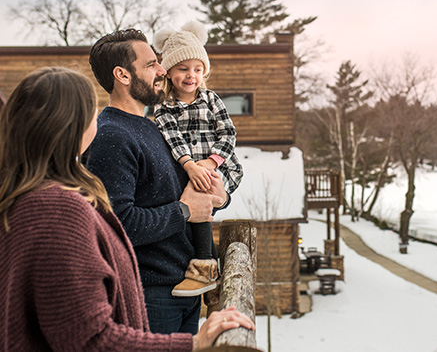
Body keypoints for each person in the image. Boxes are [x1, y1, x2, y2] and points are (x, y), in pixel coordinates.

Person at [0, 67, 254, 350]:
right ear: (74, 125)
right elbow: (91, 340)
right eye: (90, 111)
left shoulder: (39, 197)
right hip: (157, 293)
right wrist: (194, 344)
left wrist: (217, 198)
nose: (160, 71)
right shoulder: (56, 210)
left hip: (180, 288)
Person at [85, 28, 229, 335]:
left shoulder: (154, 128)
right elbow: (116, 225)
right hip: (149, 296)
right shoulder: (111, 136)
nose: (162, 70)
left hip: (185, 291)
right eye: (151, 64)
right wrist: (184, 211)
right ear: (122, 75)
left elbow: (181, 197)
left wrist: (219, 198)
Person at [153, 21, 243, 297]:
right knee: (193, 199)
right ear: (168, 72)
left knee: (199, 194)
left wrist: (210, 162)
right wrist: (191, 165)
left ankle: (205, 267)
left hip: (221, 166)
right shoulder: (163, 108)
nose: (191, 75)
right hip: (189, 170)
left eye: (197, 69)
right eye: (182, 69)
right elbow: (172, 139)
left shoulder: (212, 99)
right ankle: (202, 264)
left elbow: (227, 133)